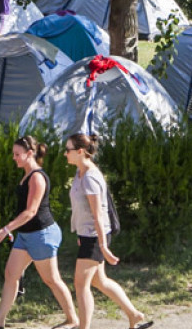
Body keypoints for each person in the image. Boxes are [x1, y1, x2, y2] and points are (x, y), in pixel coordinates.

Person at [0, 136, 79, 329]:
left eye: (17, 154)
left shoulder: (37, 177)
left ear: (30, 153)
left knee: (51, 279)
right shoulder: (27, 175)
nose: (14, 157)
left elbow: (31, 212)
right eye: (13, 154)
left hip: (41, 235)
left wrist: (6, 229)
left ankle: (72, 320)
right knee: (11, 274)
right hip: (26, 235)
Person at [65, 134, 151, 329]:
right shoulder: (80, 172)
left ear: (80, 152)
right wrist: (80, 233)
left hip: (95, 237)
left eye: (68, 150)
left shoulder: (90, 177)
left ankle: (83, 327)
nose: (65, 153)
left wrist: (103, 246)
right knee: (99, 281)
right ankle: (134, 315)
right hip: (88, 235)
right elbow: (82, 211)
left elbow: (98, 215)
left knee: (81, 284)